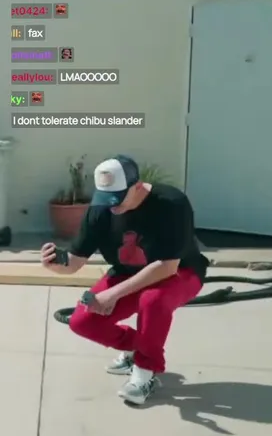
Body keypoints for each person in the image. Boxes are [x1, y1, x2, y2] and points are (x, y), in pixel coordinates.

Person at [40, 155, 207, 405]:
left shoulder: (171, 204)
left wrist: (113, 294)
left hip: (181, 272)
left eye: (118, 198)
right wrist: (55, 265)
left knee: (153, 301)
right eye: (106, 197)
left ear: (137, 186)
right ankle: (138, 349)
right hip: (127, 272)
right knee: (82, 321)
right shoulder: (101, 210)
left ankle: (145, 373)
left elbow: (167, 266)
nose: (112, 205)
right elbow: (74, 262)